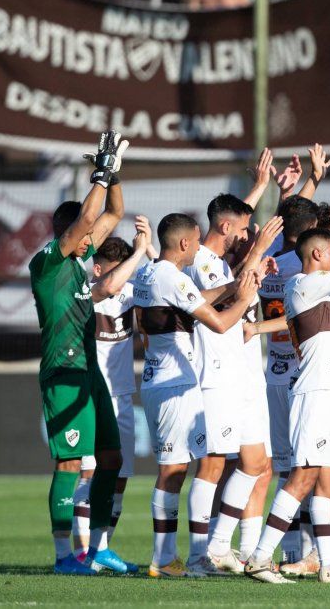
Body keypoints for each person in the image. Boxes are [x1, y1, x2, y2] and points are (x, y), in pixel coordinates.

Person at [244, 201, 330, 585]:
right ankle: (260, 557)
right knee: (304, 474)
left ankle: (329, 566)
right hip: (314, 392)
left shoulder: (319, 289)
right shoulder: (307, 283)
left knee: (329, 478)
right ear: (318, 254)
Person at [28, 130, 134, 576]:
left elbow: (113, 211)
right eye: (87, 233)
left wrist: (114, 177)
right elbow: (91, 215)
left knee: (111, 458)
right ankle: (62, 556)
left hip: (89, 375)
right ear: (71, 232)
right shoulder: (49, 262)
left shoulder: (78, 260)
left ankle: (99, 548)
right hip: (63, 372)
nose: (96, 238)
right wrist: (101, 173)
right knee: (70, 461)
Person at [133, 212, 260, 578]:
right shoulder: (171, 277)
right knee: (174, 470)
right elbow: (219, 323)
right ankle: (168, 558)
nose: (199, 247)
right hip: (175, 384)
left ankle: (182, 557)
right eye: (195, 240)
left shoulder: (150, 273)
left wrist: (235, 286)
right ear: (185, 244)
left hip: (160, 379)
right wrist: (244, 299)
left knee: (183, 466)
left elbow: (193, 299)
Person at [183, 196, 282, 575]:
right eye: (242, 229)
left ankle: (221, 546)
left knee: (256, 463)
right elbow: (225, 310)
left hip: (240, 377)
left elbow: (236, 288)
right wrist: (255, 254)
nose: (246, 235)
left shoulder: (221, 264)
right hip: (217, 374)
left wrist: (253, 267)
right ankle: (196, 557)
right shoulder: (202, 262)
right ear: (225, 227)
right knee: (211, 465)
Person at [71, 218, 155, 560]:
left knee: (119, 477)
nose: (121, 282)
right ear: (99, 268)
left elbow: (166, 278)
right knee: (89, 473)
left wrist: (148, 247)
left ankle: (102, 549)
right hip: (91, 397)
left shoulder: (130, 294)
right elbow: (105, 288)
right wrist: (136, 254)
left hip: (122, 397)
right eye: (115, 273)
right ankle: (81, 552)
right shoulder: (85, 292)